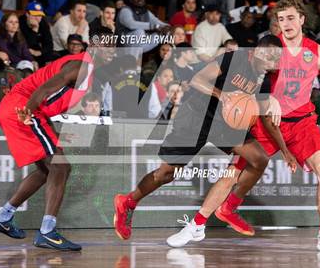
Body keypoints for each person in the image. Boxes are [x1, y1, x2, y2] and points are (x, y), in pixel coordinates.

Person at [166, 0, 320, 252]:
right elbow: (247, 78)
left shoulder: (317, 51)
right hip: (268, 123)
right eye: (280, 19)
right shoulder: (271, 50)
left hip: (302, 123)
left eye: (290, 18)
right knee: (231, 174)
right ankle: (196, 226)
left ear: (301, 20)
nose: (285, 23)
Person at [112, 34, 292, 241]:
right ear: (259, 52)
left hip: (225, 123)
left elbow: (262, 113)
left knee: (259, 158)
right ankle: (128, 201)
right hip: (196, 116)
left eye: (277, 61)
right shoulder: (234, 58)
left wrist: (274, 111)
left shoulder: (264, 79)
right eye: (272, 59)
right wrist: (222, 95)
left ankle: (229, 207)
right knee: (166, 174)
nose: (274, 65)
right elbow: (197, 80)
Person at [0, 50, 99, 251]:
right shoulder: (80, 66)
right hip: (22, 108)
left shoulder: (88, 72)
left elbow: (46, 104)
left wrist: (54, 135)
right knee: (60, 166)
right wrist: (27, 112)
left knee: (49, 170)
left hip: (21, 109)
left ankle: (3, 217)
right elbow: (44, 90)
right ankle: (47, 232)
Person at [19, 1, 54, 67]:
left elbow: (49, 44)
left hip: (38, 52)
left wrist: (40, 52)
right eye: (35, 15)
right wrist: (35, 30)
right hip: (23, 53)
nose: (37, 18)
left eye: (40, 15)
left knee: (51, 59)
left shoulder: (43, 23)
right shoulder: (20, 23)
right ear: (27, 14)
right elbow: (26, 45)